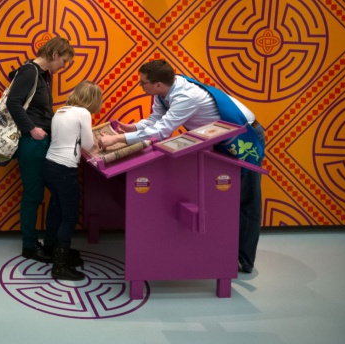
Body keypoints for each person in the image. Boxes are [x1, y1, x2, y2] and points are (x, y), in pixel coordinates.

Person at [98, 59, 266, 273]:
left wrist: (117, 140)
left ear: (158, 84)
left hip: (244, 136)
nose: (141, 86)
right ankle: (222, 249)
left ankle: (244, 259)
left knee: (247, 198)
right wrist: (130, 128)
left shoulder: (186, 96)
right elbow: (155, 121)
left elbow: (162, 131)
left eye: (143, 83)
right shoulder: (163, 92)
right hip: (220, 137)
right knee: (223, 195)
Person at [6, 36, 75, 263]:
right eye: (63, 61)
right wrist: (32, 129)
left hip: (41, 141)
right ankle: (29, 245)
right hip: (32, 142)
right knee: (33, 194)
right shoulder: (30, 71)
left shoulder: (43, 75)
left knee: (41, 192)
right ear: (54, 54)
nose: (63, 67)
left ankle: (40, 242)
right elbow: (13, 103)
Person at [42, 81, 102, 281]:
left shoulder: (61, 111)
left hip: (50, 164)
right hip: (65, 169)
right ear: (92, 99)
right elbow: (87, 144)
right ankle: (60, 266)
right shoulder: (83, 113)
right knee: (69, 217)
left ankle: (52, 249)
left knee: (56, 210)